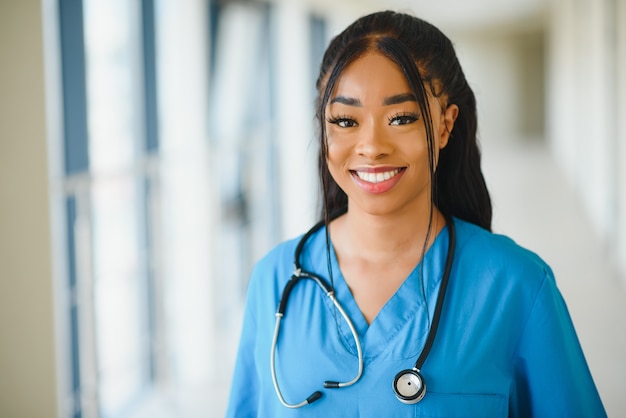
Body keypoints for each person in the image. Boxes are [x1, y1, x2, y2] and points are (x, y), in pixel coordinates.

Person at [226, 10, 606, 417]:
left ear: (445, 126)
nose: (371, 146)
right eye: (346, 120)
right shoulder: (274, 279)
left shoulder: (517, 286)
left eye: (401, 118)